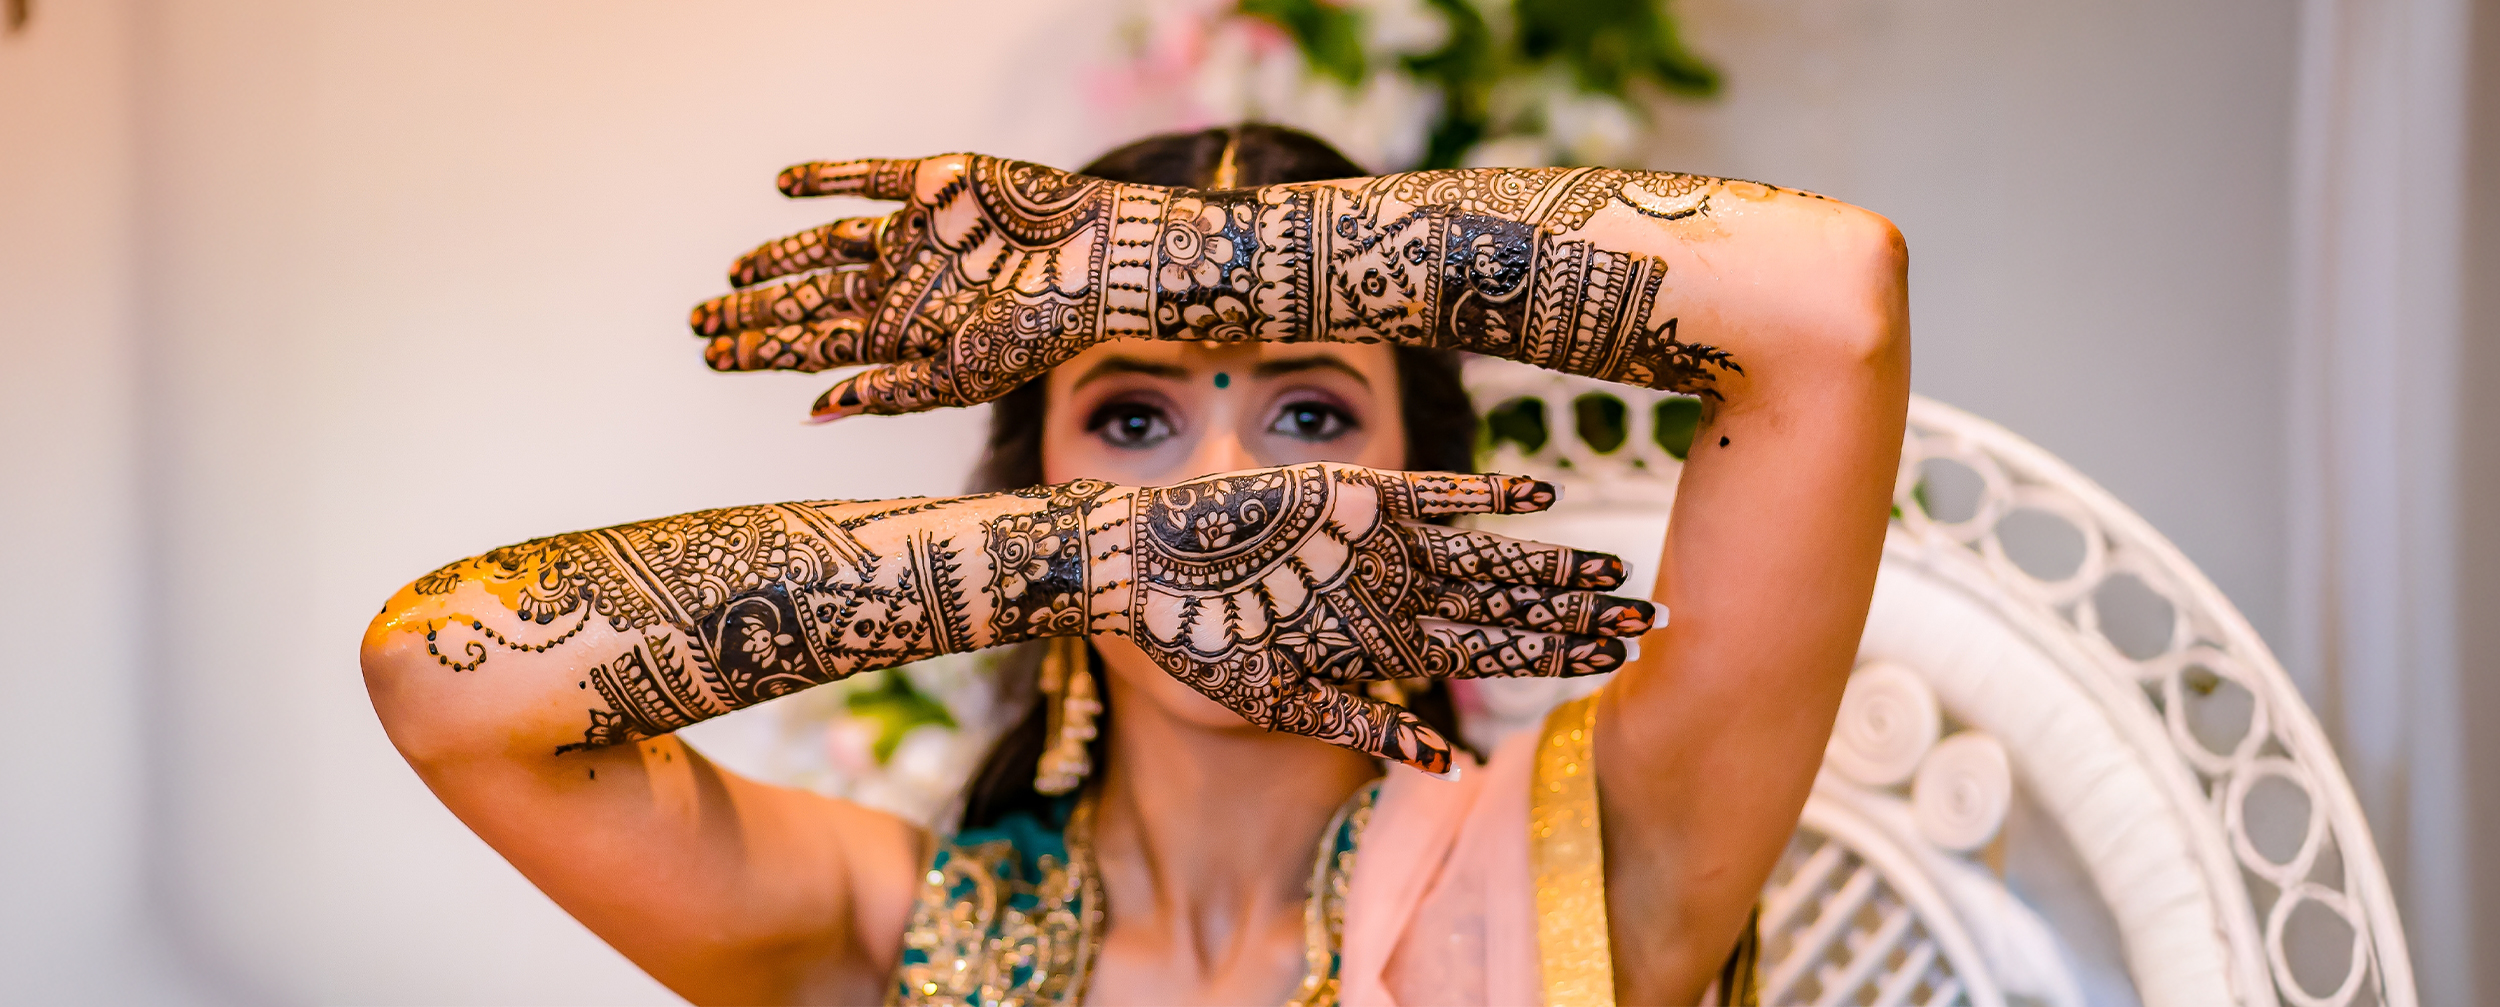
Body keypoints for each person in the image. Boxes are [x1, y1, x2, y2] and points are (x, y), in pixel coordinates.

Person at [361, 125, 1909, 1005]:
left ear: (1423, 474)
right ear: (1031, 494)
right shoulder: (901, 934)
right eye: (1130, 416)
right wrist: (1095, 560)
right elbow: (443, 673)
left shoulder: (1604, 849)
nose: (1223, 483)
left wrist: (1161, 265)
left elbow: (1834, 299)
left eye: (1310, 408)